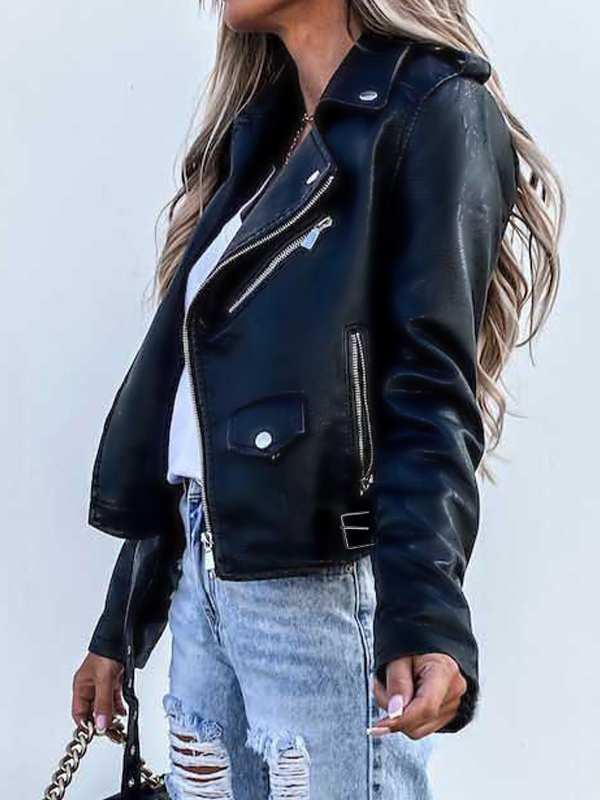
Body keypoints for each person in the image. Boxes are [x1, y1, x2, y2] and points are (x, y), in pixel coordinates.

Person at [71, 1, 564, 797]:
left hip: (321, 588)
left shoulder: (434, 109)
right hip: (206, 582)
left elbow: (429, 392)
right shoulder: (263, 135)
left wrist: (425, 613)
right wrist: (120, 626)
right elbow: (195, 414)